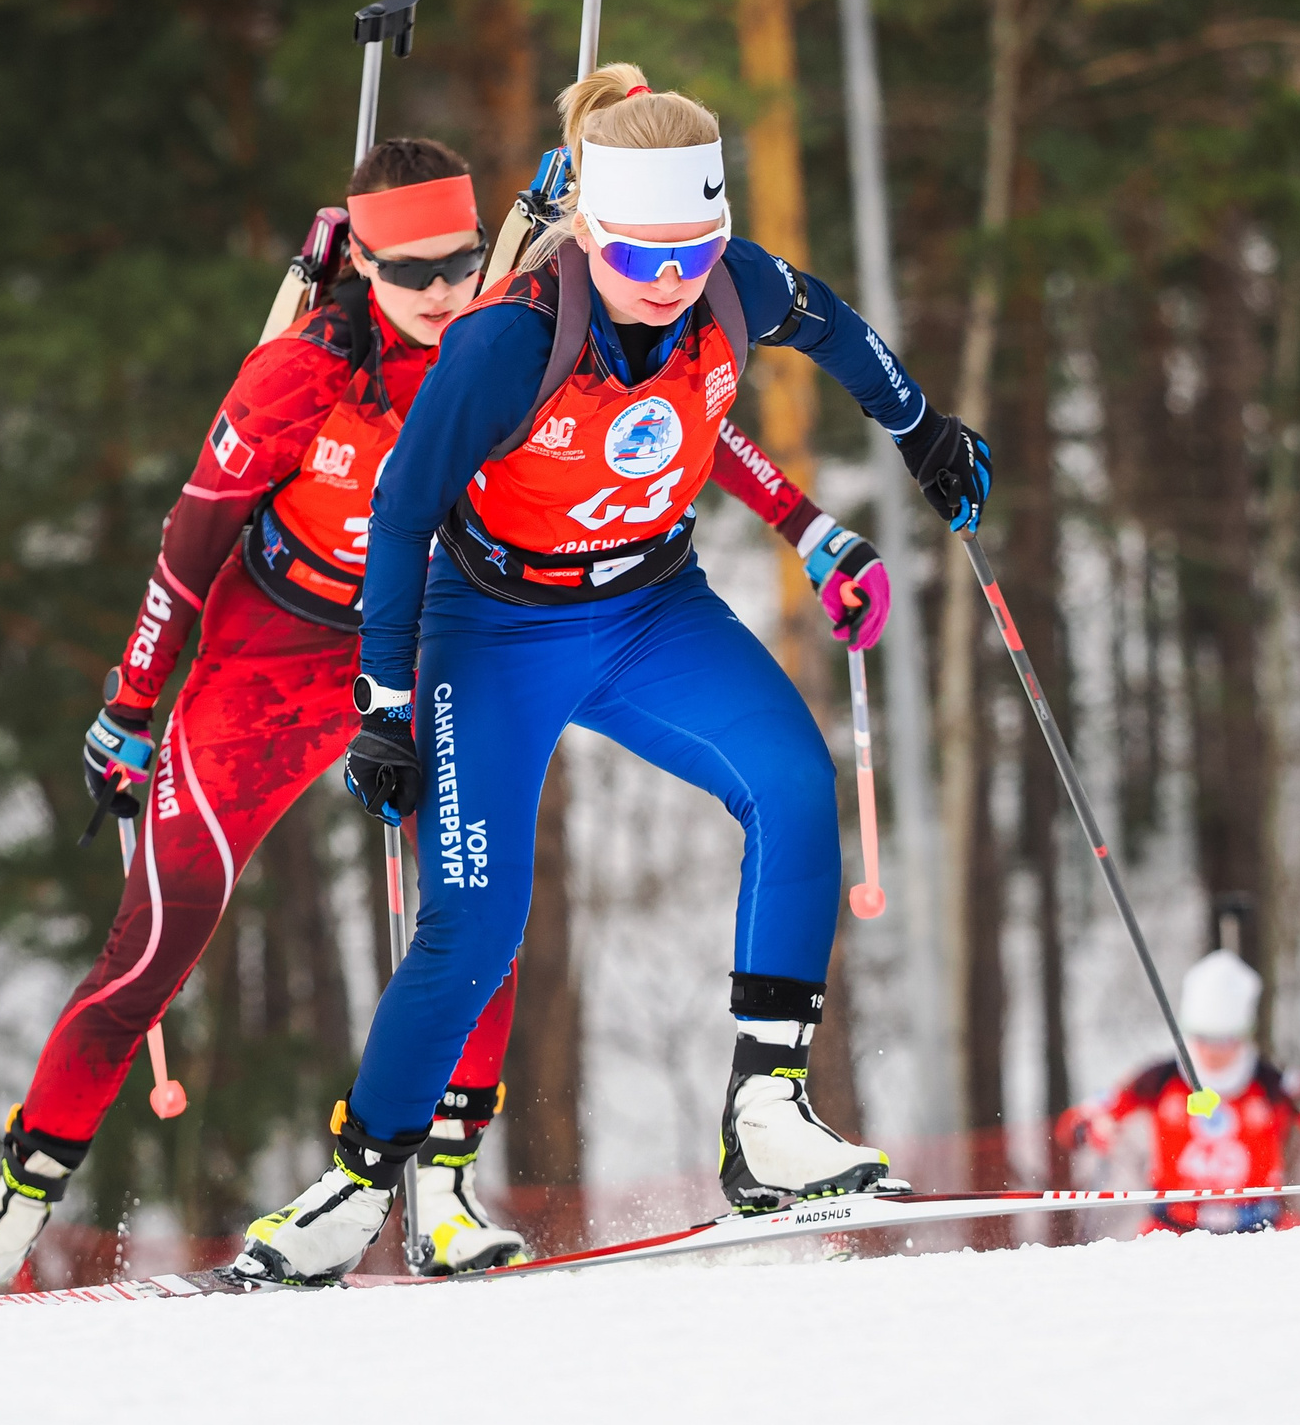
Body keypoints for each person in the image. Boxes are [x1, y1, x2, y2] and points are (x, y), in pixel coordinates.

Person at [0, 136, 892, 1300]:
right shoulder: (300, 375)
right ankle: (10, 1210)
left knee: (475, 910)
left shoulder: (512, 339)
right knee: (159, 933)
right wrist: (129, 702)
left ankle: (442, 1188)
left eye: (460, 261)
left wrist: (808, 526)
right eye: (408, 270)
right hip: (275, 653)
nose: (440, 289)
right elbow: (187, 548)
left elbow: (671, 433)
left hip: (426, 638)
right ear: (360, 263)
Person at [235, 65, 991, 1285]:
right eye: (642, 255)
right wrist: (381, 701)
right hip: (492, 631)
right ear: (589, 231)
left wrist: (920, 428)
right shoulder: (508, 339)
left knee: (793, 783)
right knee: (476, 924)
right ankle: (358, 1181)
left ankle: (767, 1117)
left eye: (694, 249)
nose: (671, 278)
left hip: (649, 612)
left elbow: (836, 327)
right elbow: (403, 505)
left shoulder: (734, 288)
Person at [1057, 949, 1300, 1233]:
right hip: (1175, 1229)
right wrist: (1090, 1125)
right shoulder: (1158, 1079)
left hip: (1260, 1228)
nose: (1214, 1052)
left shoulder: (1272, 1082)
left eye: (1226, 1040)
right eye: (1204, 1038)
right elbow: (1080, 1119)